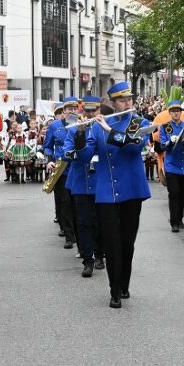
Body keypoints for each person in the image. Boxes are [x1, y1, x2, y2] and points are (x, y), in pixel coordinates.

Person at [78, 82, 151, 309]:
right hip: (107, 190)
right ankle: (114, 290)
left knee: (127, 242)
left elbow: (134, 147)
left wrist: (110, 131)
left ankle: (124, 284)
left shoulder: (141, 123)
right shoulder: (98, 125)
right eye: (122, 100)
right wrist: (81, 134)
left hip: (132, 190)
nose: (127, 103)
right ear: (112, 103)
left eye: (129, 99)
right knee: (111, 242)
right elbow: (85, 155)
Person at [63, 95, 105, 277]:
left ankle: (99, 254)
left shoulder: (103, 129)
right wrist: (79, 139)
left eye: (93, 111)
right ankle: (87, 260)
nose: (89, 114)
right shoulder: (73, 130)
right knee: (83, 222)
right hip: (80, 182)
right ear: (82, 112)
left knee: (100, 222)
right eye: (86, 111)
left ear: (99, 112)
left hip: (100, 182)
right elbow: (67, 153)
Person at [44, 97, 80, 248]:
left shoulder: (81, 125)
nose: (72, 111)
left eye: (74, 108)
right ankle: (69, 236)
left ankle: (79, 234)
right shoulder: (54, 126)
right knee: (64, 202)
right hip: (61, 168)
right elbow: (47, 146)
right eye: (68, 109)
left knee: (76, 203)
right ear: (63, 111)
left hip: (77, 168)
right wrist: (49, 160)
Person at [160, 100, 184, 233]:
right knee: (174, 194)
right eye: (173, 111)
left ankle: (180, 218)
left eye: (178, 111)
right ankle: (174, 221)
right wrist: (169, 141)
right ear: (170, 113)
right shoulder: (165, 126)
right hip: (171, 166)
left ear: (181, 112)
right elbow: (162, 146)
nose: (175, 113)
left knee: (183, 194)